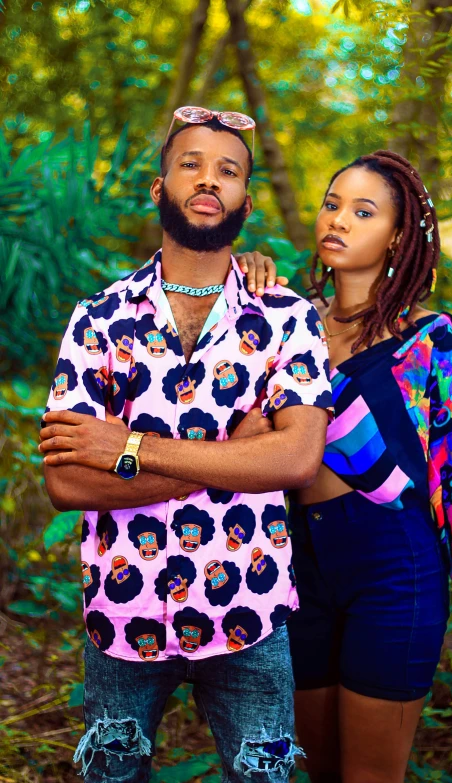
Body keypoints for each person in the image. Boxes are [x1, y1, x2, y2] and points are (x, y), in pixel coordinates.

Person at [39, 108, 333, 783]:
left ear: (246, 201)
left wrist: (128, 445)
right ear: (158, 187)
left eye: (228, 170)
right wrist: (232, 456)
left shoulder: (285, 318)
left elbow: (293, 460)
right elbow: (67, 484)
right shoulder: (99, 318)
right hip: (123, 615)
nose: (209, 179)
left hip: (249, 618)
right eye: (191, 164)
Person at [237, 150, 452, 783]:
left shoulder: (427, 340)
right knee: (320, 771)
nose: (338, 220)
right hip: (296, 565)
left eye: (363, 212)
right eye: (331, 204)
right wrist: (243, 273)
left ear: (396, 237)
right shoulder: (288, 322)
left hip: (395, 567)